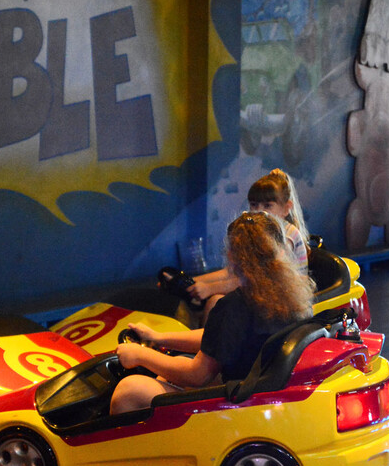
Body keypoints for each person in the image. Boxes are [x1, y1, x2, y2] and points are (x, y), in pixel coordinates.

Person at [111, 211, 315, 414]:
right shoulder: (292, 298)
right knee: (168, 373)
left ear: (232, 256)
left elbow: (198, 376)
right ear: (280, 250)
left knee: (129, 390)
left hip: (243, 407)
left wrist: (141, 355)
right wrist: (158, 338)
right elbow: (218, 338)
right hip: (270, 398)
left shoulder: (236, 305)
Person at [186, 169, 309, 306]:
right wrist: (192, 282)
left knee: (215, 302)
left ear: (286, 208)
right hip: (265, 294)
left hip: (287, 301)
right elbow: (233, 272)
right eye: (254, 205)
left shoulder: (287, 235)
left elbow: (260, 278)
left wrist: (210, 288)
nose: (258, 211)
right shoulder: (258, 234)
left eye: (267, 206)